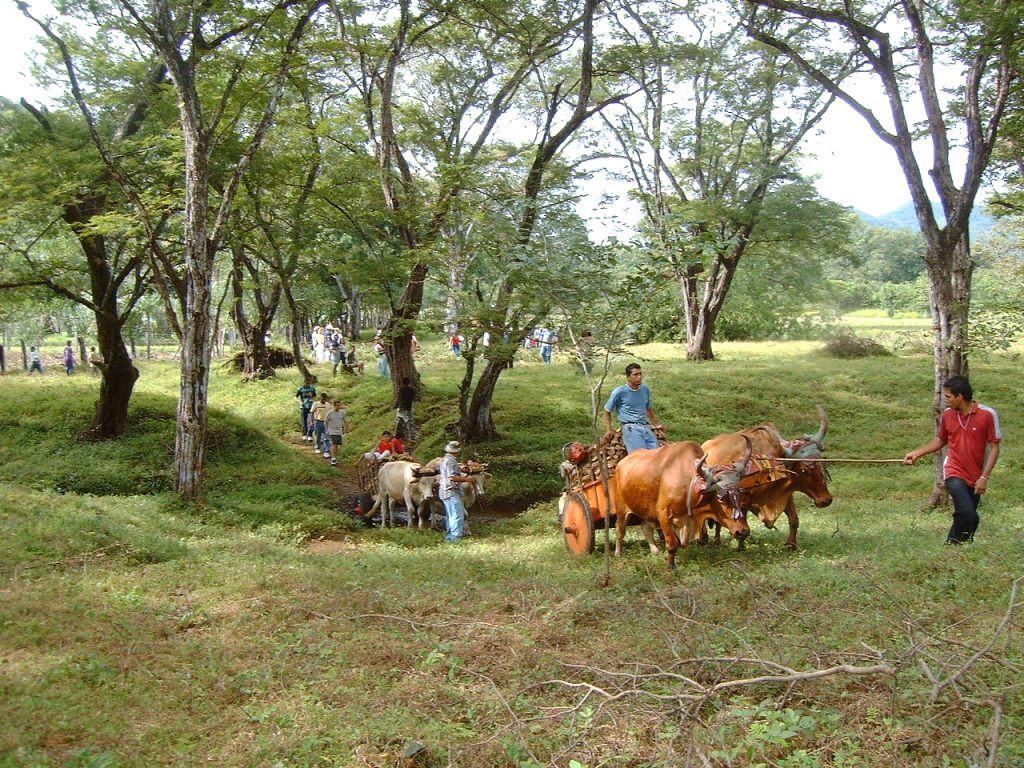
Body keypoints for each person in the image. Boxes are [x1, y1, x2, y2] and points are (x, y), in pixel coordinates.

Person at [904, 375, 1002, 544]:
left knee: (970, 514)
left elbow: (995, 448)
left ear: (960, 396)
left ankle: (953, 545)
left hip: (976, 474)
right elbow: (941, 440)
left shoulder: (987, 414)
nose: (945, 400)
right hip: (953, 469)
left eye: (948, 397)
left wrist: (984, 477)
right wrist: (918, 453)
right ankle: (957, 546)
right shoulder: (948, 415)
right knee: (966, 512)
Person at [603, 363, 662, 453]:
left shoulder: (645, 389)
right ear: (628, 377)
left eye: (640, 374)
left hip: (645, 427)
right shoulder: (620, 392)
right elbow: (607, 411)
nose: (639, 377)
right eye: (635, 374)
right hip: (630, 428)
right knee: (640, 456)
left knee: (657, 455)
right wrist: (609, 429)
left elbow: (648, 408)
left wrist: (655, 424)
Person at [437, 440, 475, 543]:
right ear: (457, 451)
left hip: (445, 490)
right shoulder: (450, 461)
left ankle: (450, 538)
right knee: (457, 515)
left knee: (451, 515)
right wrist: (468, 479)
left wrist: (461, 468)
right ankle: (455, 539)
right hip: (451, 490)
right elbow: (452, 477)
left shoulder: (446, 460)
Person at [324, 399, 349, 466]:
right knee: (334, 444)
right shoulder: (330, 413)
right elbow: (325, 422)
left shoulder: (342, 412)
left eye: (339, 405)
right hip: (332, 431)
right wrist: (327, 430)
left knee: (337, 445)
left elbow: (345, 420)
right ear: (334, 405)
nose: (339, 406)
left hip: (339, 431)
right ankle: (333, 459)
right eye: (337, 405)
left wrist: (346, 428)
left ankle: (334, 457)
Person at [294, 376, 317, 442]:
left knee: (311, 420)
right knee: (304, 420)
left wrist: (313, 400)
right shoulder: (300, 389)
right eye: (307, 383)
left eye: (309, 383)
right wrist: (299, 402)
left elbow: (314, 396)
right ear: (304, 382)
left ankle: (310, 435)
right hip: (303, 406)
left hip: (311, 406)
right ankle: (304, 434)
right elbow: (295, 397)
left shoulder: (313, 388)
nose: (308, 384)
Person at [395, 376, 418, 442]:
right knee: (410, 423)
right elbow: (414, 398)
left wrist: (396, 405)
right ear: (409, 382)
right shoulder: (412, 390)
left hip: (400, 408)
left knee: (399, 423)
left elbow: (398, 398)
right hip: (407, 408)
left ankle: (396, 437)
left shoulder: (400, 389)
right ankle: (412, 438)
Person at [310, 392, 331, 457]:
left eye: (325, 399)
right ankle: (317, 447)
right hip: (318, 422)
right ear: (320, 398)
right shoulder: (316, 404)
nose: (323, 400)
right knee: (318, 436)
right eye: (322, 399)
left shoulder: (328, 405)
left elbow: (330, 414)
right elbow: (312, 413)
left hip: (326, 423)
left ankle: (327, 451)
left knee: (326, 437)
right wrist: (311, 422)